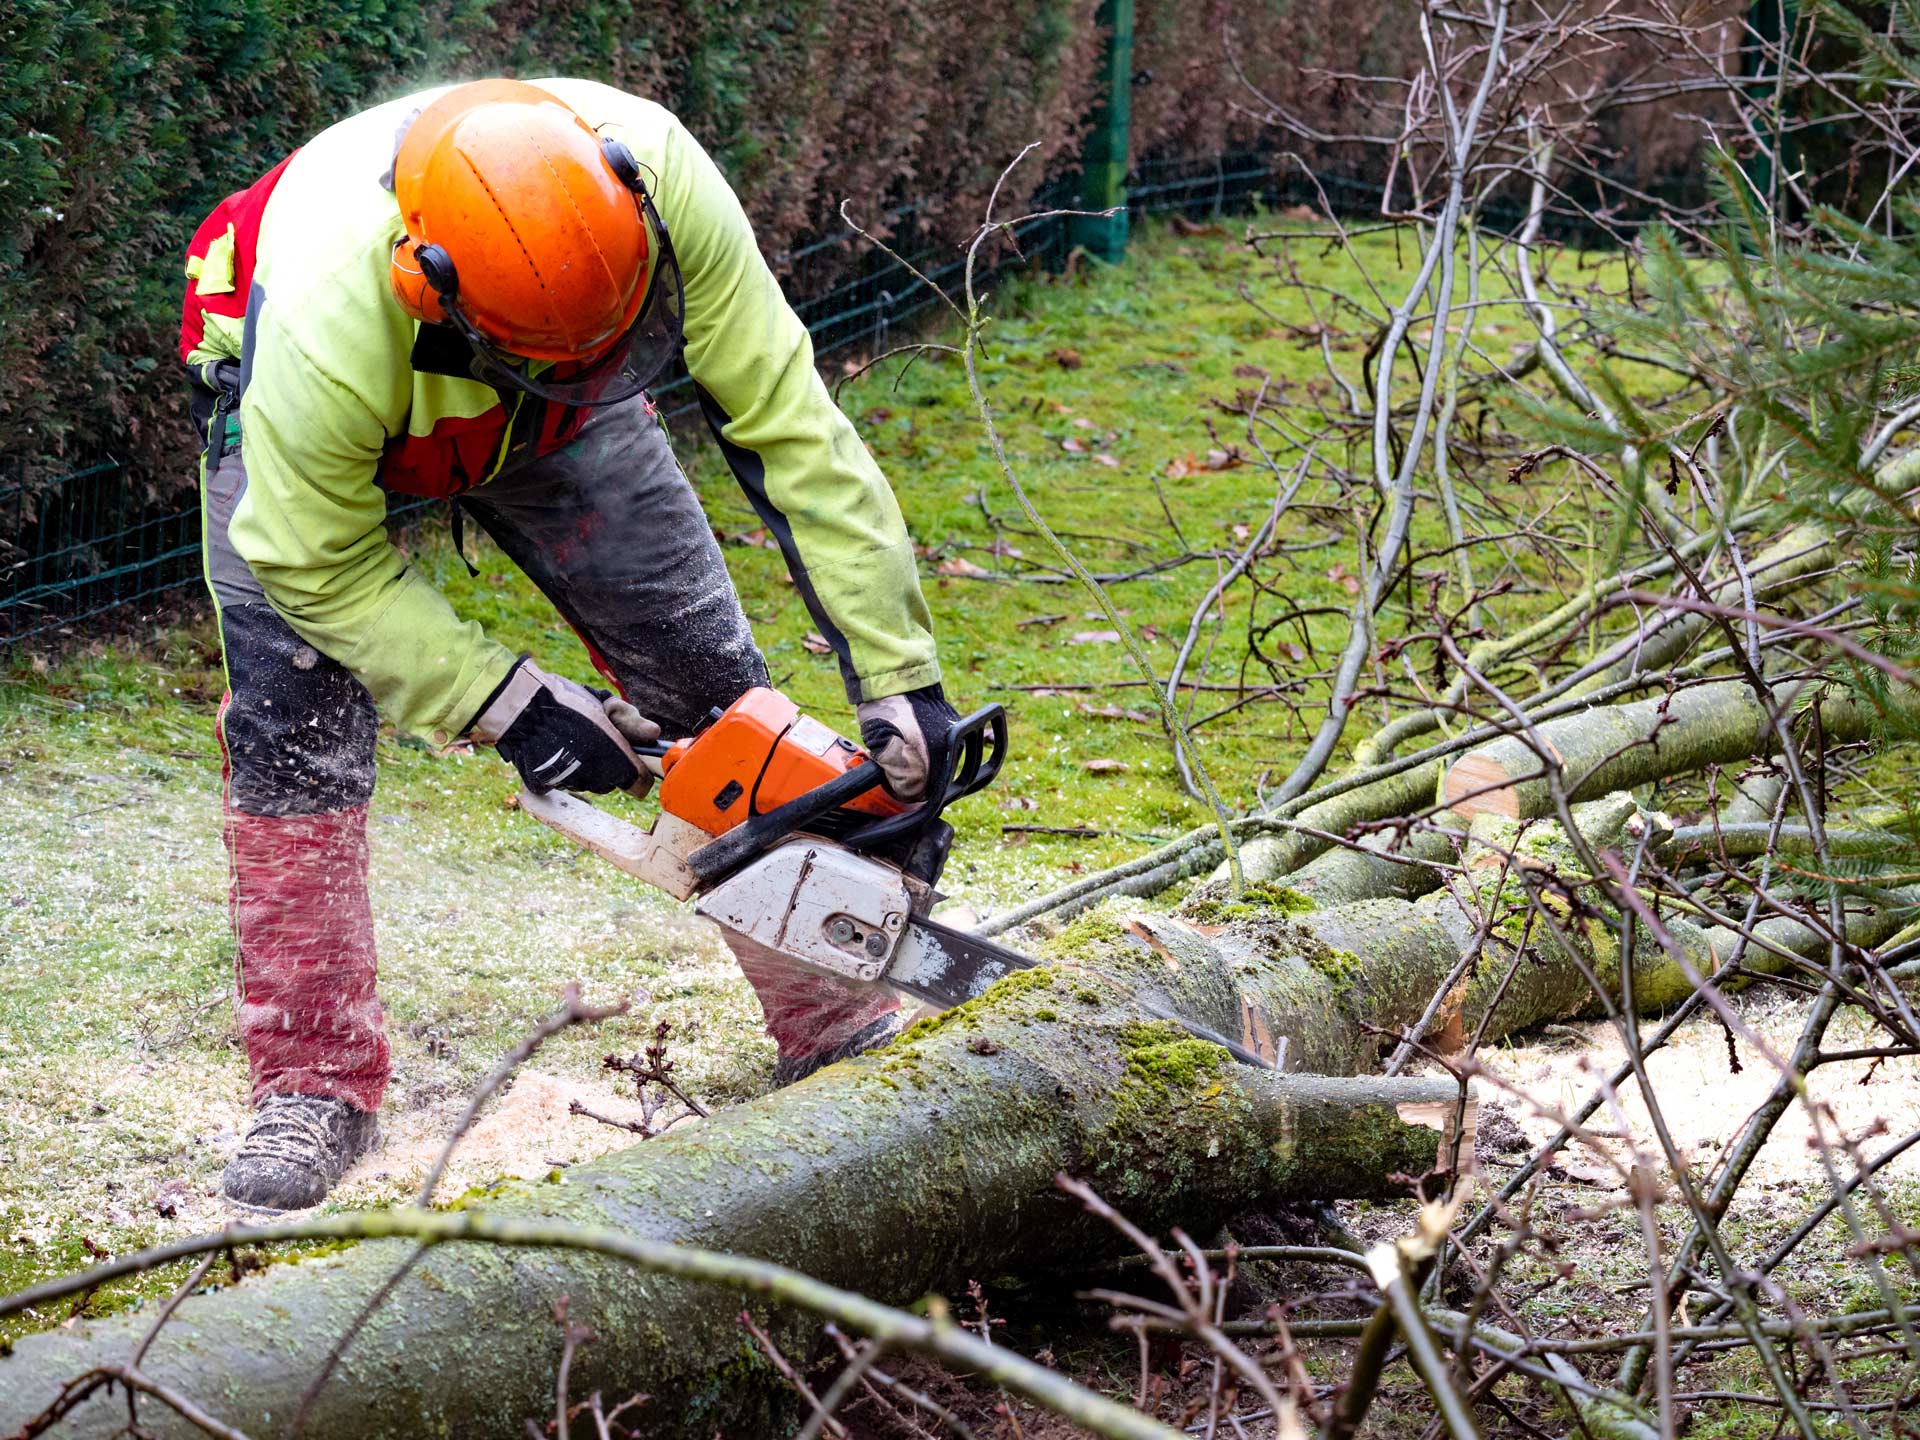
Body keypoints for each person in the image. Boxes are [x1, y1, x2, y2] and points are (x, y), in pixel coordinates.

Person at [180, 77, 958, 1209]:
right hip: (302, 412)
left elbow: (790, 420)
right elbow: (311, 555)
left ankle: (831, 1009)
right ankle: (311, 1084)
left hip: (551, 399)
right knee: (291, 735)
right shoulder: (325, 314)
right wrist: (502, 701)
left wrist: (899, 677)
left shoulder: (656, 171)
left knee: (705, 676)